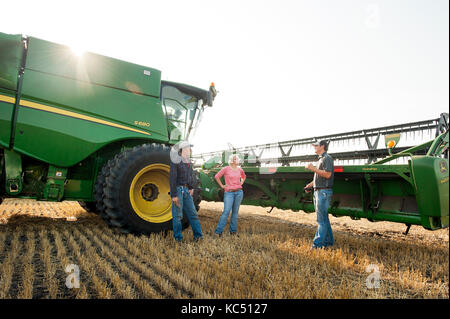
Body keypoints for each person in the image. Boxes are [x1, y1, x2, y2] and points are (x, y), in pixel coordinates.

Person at [169, 141, 203, 242]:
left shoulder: (188, 161)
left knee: (193, 214)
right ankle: (178, 239)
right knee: (178, 216)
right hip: (178, 190)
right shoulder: (176, 160)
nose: (190, 150)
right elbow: (172, 178)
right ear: (183, 149)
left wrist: (191, 187)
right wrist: (174, 195)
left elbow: (190, 175)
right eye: (189, 148)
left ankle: (199, 237)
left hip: (187, 191)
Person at [304, 140, 334, 249]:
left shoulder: (327, 158)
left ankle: (317, 245)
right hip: (319, 191)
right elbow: (320, 176)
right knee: (324, 219)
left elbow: (328, 175)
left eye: (316, 145)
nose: (314, 147)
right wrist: (311, 185)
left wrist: (313, 168)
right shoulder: (321, 159)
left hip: (323, 192)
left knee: (321, 220)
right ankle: (329, 242)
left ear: (322, 146)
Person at [214, 154, 246, 236]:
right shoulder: (226, 169)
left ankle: (233, 231)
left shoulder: (239, 169)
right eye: (236, 159)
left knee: (235, 213)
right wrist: (222, 186)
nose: (238, 160)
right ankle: (218, 232)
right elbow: (217, 176)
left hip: (239, 192)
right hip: (229, 193)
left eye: (238, 159)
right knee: (226, 212)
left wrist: (241, 182)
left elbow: (244, 176)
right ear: (232, 161)